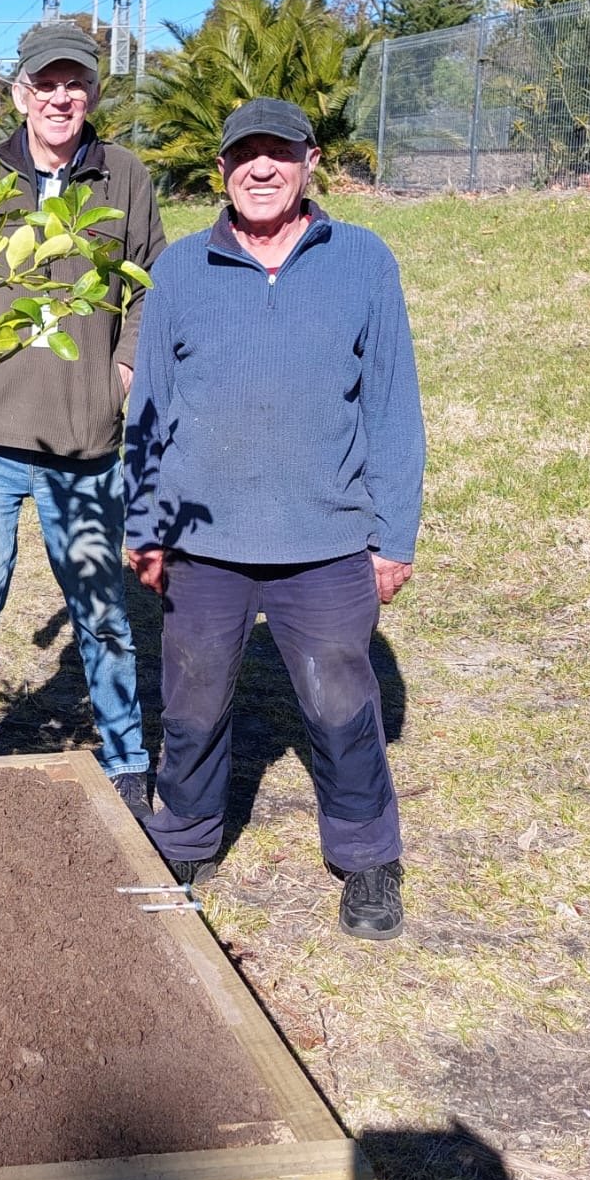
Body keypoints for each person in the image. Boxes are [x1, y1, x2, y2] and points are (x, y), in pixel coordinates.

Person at [123, 97, 424, 940]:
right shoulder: (181, 270)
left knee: (340, 707)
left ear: (310, 162)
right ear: (220, 170)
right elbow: (149, 406)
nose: (261, 168)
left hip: (327, 541)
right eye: (243, 154)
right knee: (191, 702)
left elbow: (394, 408)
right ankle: (184, 838)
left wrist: (391, 538)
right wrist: (143, 524)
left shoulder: (363, 261)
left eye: (278, 153)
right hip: (202, 544)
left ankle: (368, 859)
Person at [0, 21, 166, 819]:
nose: (62, 97)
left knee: (98, 608)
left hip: (82, 440)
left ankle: (127, 755)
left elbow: (151, 288)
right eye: (46, 84)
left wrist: (124, 365)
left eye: (76, 84)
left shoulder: (124, 176)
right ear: (21, 94)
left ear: (92, 93)